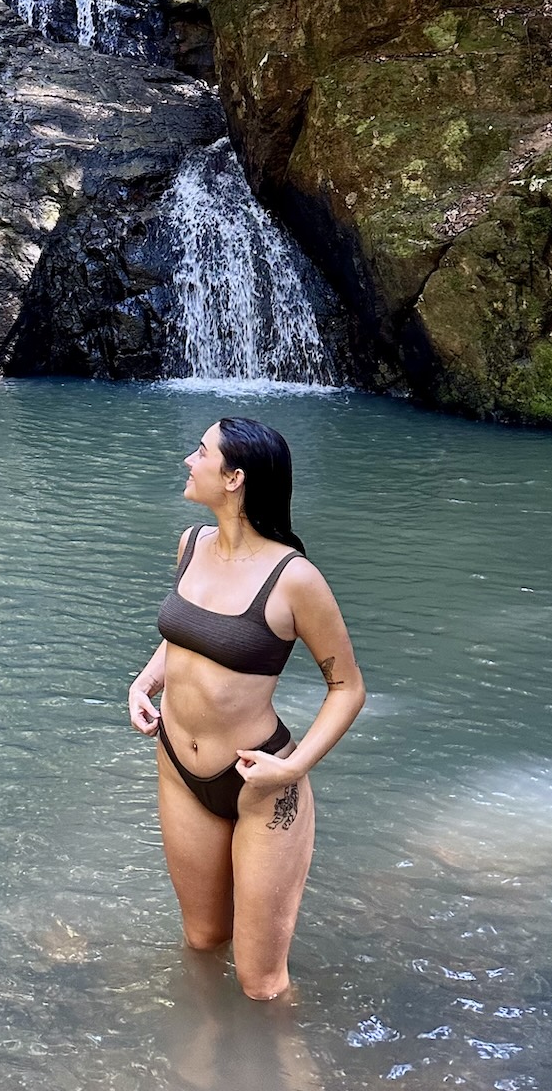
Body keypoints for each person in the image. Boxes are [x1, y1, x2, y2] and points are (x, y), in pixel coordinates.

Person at [128, 417, 365, 1001]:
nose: (188, 459)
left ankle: (287, 1067)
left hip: (262, 786)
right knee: (204, 941)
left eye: (200, 451)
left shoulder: (294, 579)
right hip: (180, 773)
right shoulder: (191, 544)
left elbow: (348, 688)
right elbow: (186, 634)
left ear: (235, 478)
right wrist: (144, 680)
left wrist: (294, 767)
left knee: (262, 983)